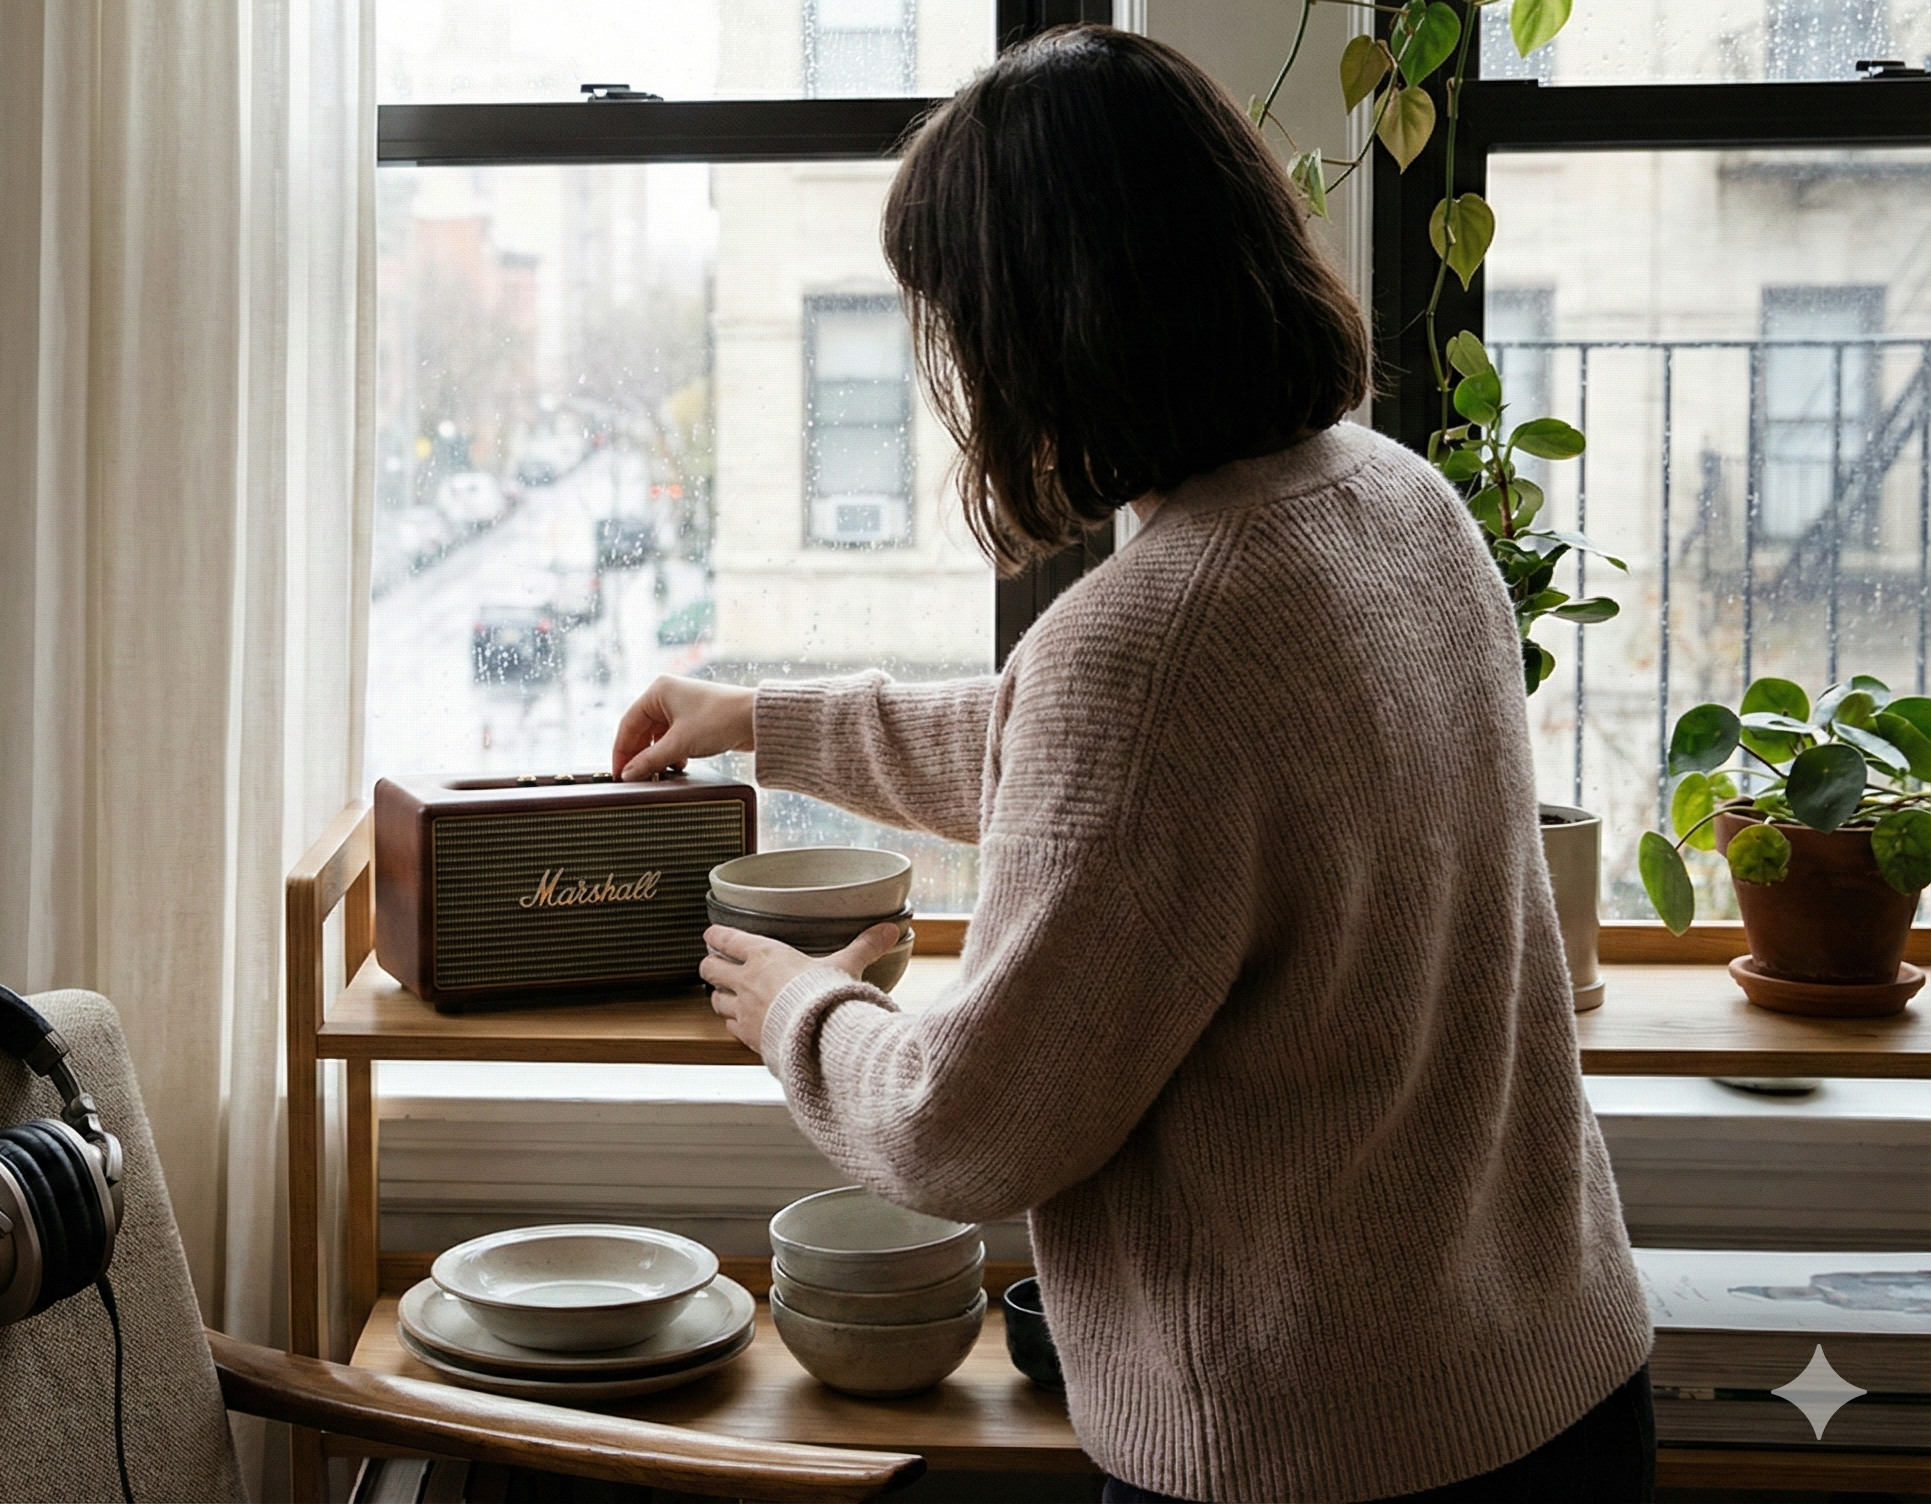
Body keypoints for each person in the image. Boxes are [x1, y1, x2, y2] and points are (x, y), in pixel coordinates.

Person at [608, 26, 1653, 1504]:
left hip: (1325, 1459)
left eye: (961, 329)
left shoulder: (1153, 641)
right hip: (1561, 1381)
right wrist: (759, 719)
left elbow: (965, 1130)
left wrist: (799, 1010)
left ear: (1046, 334)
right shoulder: (1398, 502)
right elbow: (1098, 776)